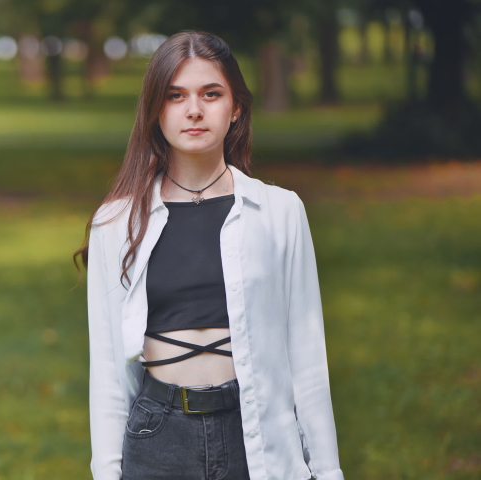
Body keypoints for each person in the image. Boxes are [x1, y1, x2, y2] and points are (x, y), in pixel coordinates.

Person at [74, 31, 344, 480]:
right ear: (156, 109)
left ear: (235, 107)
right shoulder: (116, 222)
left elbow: (307, 353)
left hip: (254, 432)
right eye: (175, 95)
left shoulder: (280, 211)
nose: (194, 109)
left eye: (211, 94)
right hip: (156, 436)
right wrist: (107, 472)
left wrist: (327, 470)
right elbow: (106, 368)